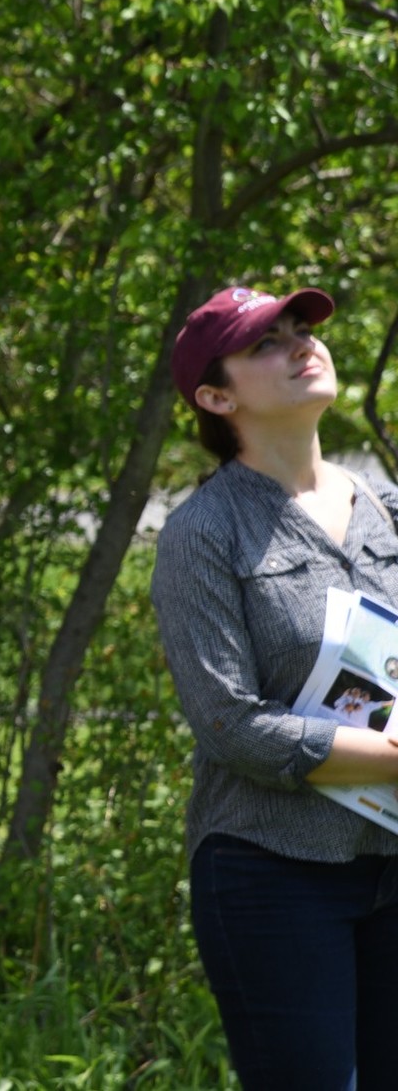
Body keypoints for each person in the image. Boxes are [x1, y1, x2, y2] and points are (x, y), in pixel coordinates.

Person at [152, 283, 398, 1090]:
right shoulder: (203, 533)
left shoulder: (388, 507)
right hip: (273, 871)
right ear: (217, 396)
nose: (301, 345)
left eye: (301, 329)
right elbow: (229, 723)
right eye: (265, 342)